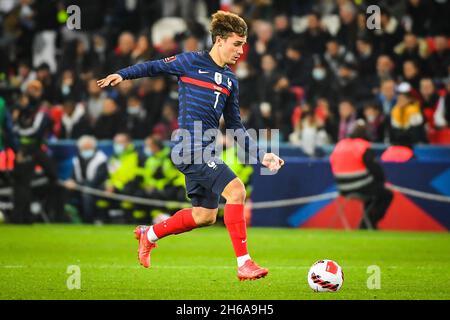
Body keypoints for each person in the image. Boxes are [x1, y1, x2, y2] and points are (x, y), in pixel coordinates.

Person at [97, 10, 284, 281]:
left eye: (243, 44)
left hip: (207, 150)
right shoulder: (190, 61)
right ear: (219, 41)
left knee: (205, 216)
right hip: (189, 146)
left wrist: (260, 155)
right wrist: (122, 74)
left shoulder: (231, 80)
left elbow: (235, 127)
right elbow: (153, 66)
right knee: (236, 191)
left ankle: (148, 234)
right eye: (236, 43)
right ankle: (244, 263)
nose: (241, 50)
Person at [330, 121, 393, 229]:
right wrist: (381, 182)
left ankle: (367, 224)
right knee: (386, 194)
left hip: (342, 188)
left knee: (372, 194)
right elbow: (375, 169)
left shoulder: (340, 144)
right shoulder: (363, 146)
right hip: (361, 186)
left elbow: (333, 163)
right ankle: (367, 224)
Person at [64, 135, 108, 223]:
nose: (85, 151)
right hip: (81, 187)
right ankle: (65, 218)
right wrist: (70, 181)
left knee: (87, 193)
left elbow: (96, 180)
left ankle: (88, 221)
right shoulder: (77, 160)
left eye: (88, 148)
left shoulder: (101, 159)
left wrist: (77, 184)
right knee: (65, 190)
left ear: (94, 148)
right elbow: (73, 176)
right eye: (83, 148)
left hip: (97, 188)